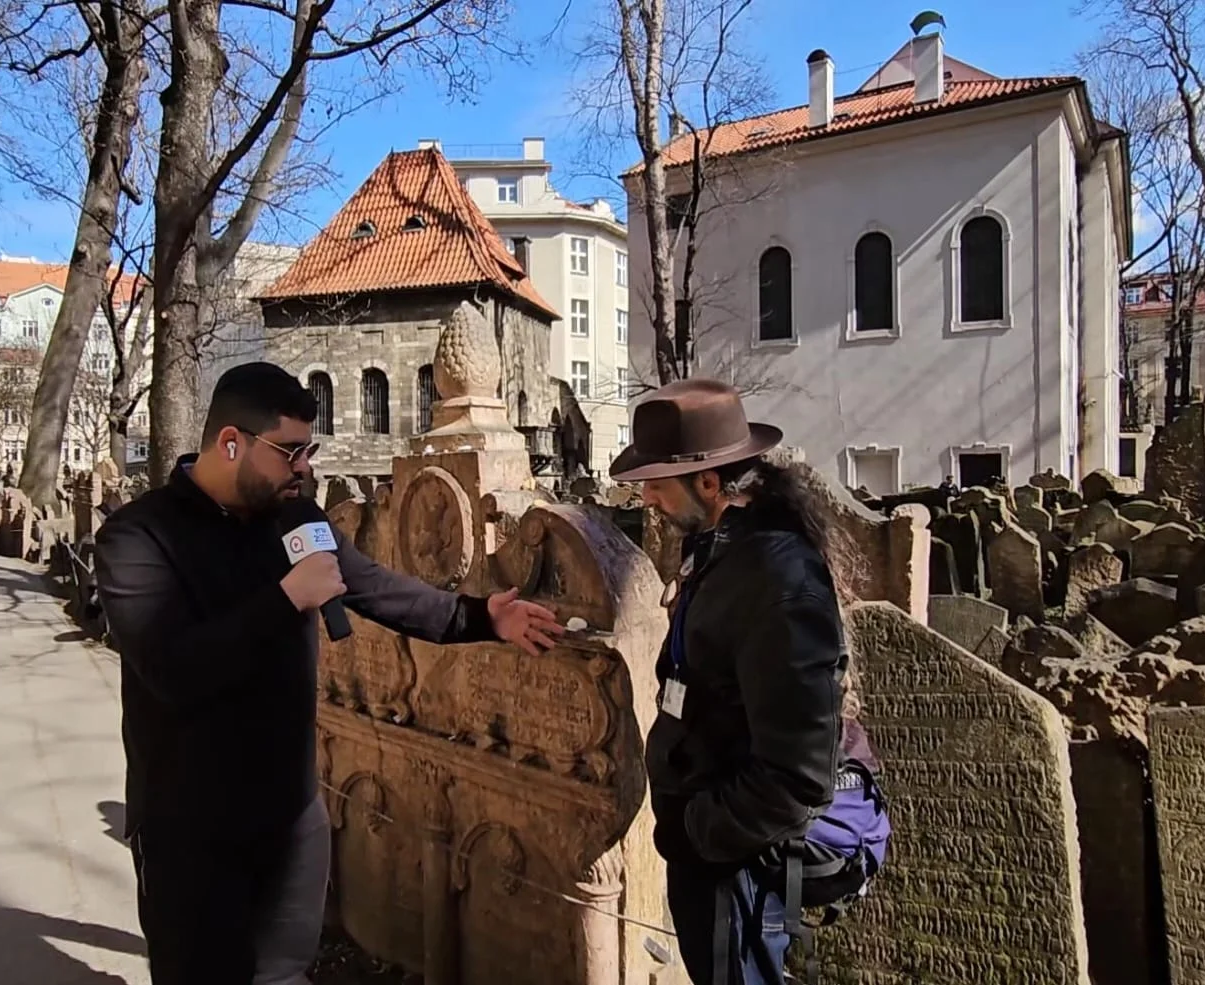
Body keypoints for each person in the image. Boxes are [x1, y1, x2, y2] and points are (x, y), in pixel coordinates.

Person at [94, 362, 565, 985]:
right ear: (230, 443)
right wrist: (285, 598)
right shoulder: (139, 537)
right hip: (191, 831)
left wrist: (479, 616)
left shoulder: (294, 519)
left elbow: (374, 588)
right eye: (288, 451)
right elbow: (172, 669)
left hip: (290, 816)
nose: (303, 467)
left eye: (308, 451)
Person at [610, 378, 883, 985]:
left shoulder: (780, 583)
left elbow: (797, 776)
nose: (647, 497)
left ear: (709, 482)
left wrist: (699, 831)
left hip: (741, 868)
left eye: (656, 481)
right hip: (708, 853)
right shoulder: (720, 549)